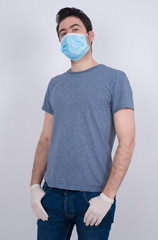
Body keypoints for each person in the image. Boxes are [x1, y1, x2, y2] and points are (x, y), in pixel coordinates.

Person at [30, 7, 135, 240]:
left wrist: (107, 197)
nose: (68, 36)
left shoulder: (115, 79)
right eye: (63, 33)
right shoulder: (55, 84)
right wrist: (34, 186)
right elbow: (45, 140)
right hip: (52, 195)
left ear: (90, 35)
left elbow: (127, 141)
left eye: (75, 29)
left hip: (93, 196)